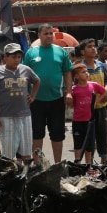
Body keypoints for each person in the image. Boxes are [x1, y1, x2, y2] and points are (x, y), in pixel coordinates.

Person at [23, 24, 73, 162]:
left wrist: (68, 92)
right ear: (39, 35)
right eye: (46, 33)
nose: (49, 36)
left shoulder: (61, 52)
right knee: (37, 134)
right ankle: (37, 165)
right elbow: (24, 76)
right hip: (36, 100)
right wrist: (25, 96)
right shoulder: (31, 53)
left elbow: (67, 72)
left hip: (56, 100)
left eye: (51, 33)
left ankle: (58, 163)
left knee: (57, 134)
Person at [0, 43, 40, 161]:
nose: (17, 60)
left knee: (26, 151)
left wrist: (33, 97)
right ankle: (9, 176)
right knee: (8, 152)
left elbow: (37, 81)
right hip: (6, 116)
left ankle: (24, 175)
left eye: (18, 57)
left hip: (25, 116)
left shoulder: (25, 70)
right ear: (5, 57)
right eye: (13, 57)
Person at [78, 38, 107, 163]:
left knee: (102, 133)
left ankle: (104, 158)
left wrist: (104, 92)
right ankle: (89, 161)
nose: (93, 48)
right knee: (89, 136)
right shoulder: (80, 68)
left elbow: (106, 81)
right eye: (89, 46)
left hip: (101, 105)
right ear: (82, 51)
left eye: (94, 46)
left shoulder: (101, 65)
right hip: (87, 108)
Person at [71, 63, 107, 164]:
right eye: (83, 72)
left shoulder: (93, 85)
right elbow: (72, 105)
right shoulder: (74, 89)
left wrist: (97, 101)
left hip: (90, 121)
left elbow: (104, 91)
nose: (86, 73)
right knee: (78, 144)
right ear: (76, 76)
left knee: (89, 145)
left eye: (86, 71)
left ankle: (88, 165)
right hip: (78, 121)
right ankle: (78, 165)